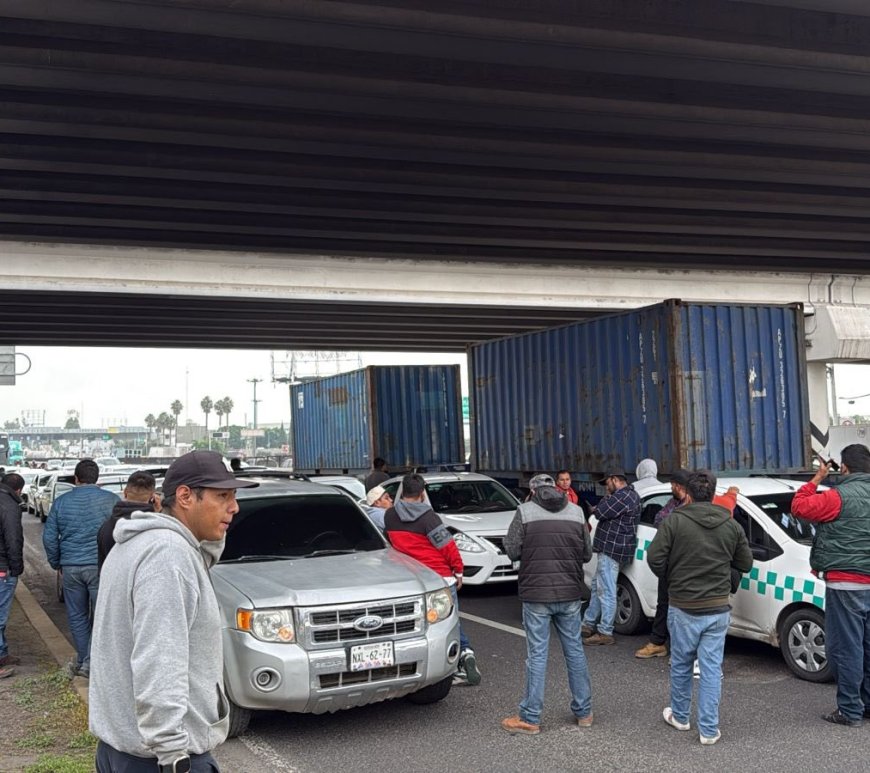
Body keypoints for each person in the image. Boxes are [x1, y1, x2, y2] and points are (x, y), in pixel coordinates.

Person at [90, 450, 258, 772]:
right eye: (222, 496)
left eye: (234, 496)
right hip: (162, 759)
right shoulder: (167, 556)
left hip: (121, 749)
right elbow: (159, 660)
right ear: (184, 496)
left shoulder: (136, 544)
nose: (234, 507)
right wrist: (172, 755)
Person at [647, 470, 752, 746]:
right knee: (711, 669)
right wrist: (726, 576)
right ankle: (708, 729)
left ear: (688, 494)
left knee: (681, 664)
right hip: (717, 608)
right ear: (713, 493)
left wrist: (672, 578)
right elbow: (746, 563)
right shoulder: (731, 525)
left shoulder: (675, 522)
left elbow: (655, 558)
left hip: (682, 605)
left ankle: (680, 717)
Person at [500, 473, 593, 735]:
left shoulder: (524, 511)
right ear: (556, 488)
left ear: (532, 492)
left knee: (538, 655)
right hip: (570, 593)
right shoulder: (576, 512)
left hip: (537, 595)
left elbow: (512, 550)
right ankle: (584, 712)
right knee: (574, 651)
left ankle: (530, 717)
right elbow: (587, 553)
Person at [791, 444, 870, 727]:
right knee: (868, 646)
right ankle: (867, 704)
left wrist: (817, 478)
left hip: (846, 584)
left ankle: (849, 711)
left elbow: (799, 507)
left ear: (844, 468)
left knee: (847, 648)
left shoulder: (837, 497)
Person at [384, 473, 480, 685]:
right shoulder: (429, 518)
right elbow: (447, 546)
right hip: (441, 577)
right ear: (421, 493)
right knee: (451, 621)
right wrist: (458, 571)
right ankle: (464, 656)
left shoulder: (390, 516)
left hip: (414, 578)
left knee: (426, 626)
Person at [42, 459, 118, 678]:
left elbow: (49, 537)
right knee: (102, 616)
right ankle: (92, 662)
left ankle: (85, 660)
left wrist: (57, 563)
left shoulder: (61, 502)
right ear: (98, 478)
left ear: (76, 479)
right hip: (101, 567)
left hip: (72, 567)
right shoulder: (111, 501)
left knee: (77, 616)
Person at [582, 469, 641, 645]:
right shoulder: (628, 496)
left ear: (615, 480)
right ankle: (588, 622)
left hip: (612, 549)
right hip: (615, 548)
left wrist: (607, 497)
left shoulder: (623, 496)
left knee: (605, 590)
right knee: (597, 586)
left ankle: (605, 631)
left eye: (607, 483)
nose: (606, 488)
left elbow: (599, 512)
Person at [96, 471, 159, 572]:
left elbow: (102, 568)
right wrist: (159, 513)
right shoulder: (157, 528)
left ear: (125, 492)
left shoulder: (106, 527)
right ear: (152, 497)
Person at [0, 472, 25, 679]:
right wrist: (16, 568)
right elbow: (13, 539)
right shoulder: (9, 506)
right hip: (2, 568)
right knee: (0, 617)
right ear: (18, 490)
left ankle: (3, 654)